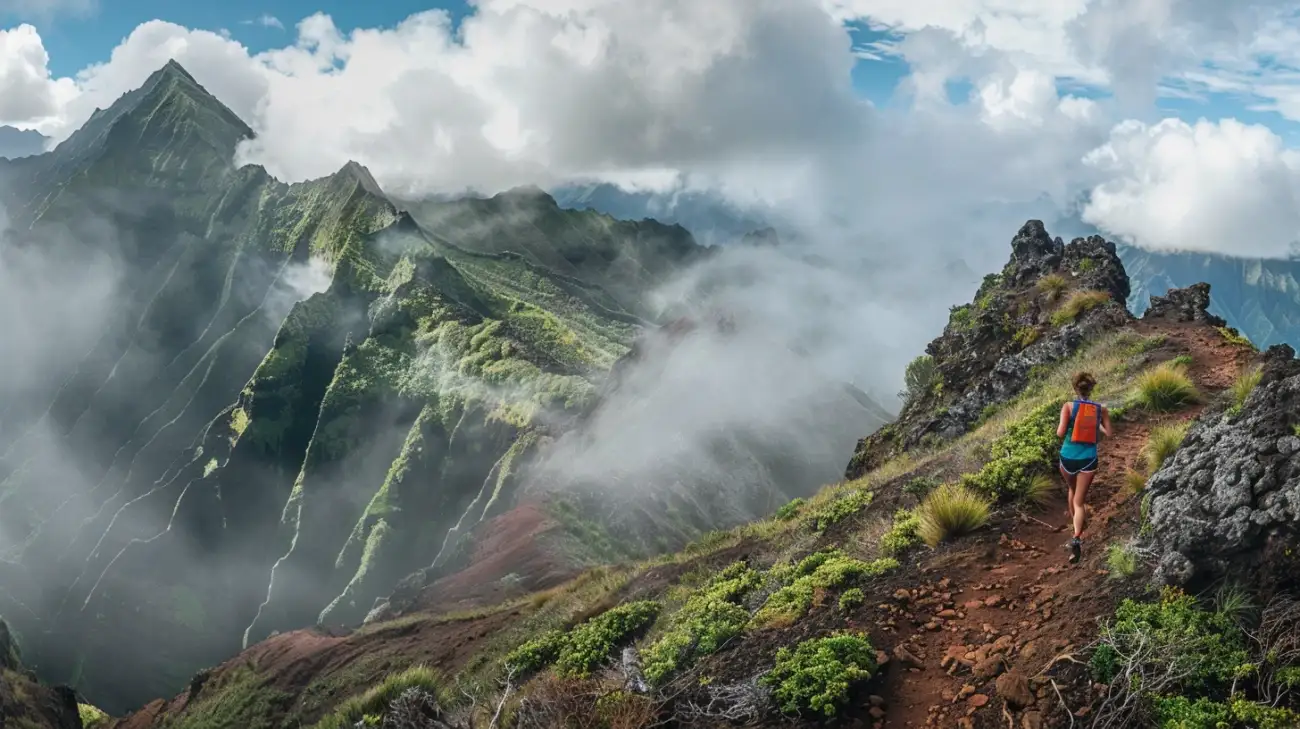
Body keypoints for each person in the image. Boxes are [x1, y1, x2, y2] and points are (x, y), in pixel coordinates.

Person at [1056, 372, 1111, 564]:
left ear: (1075, 388)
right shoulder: (1100, 409)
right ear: (1092, 388)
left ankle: (1075, 528)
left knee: (1072, 490)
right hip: (1088, 459)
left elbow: (1060, 433)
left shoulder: (1068, 406)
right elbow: (1109, 433)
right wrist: (1096, 426)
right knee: (1079, 501)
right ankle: (1077, 538)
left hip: (1068, 457)